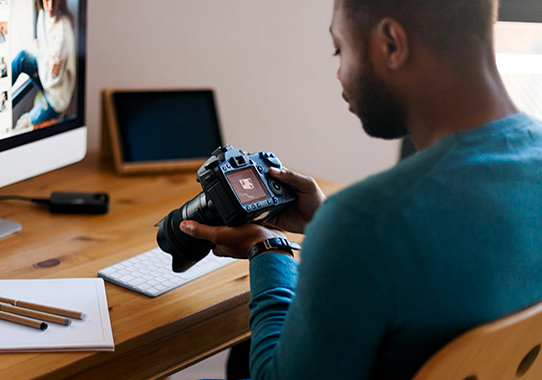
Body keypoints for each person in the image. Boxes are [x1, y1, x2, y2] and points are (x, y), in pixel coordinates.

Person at [178, 1, 542, 379]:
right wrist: (329, 223)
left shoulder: (364, 223)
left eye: (340, 49)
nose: (338, 73)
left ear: (391, 44)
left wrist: (267, 247)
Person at [11, 0, 76, 128]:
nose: (50, 6)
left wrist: (39, 53)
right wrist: (45, 58)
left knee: (22, 126)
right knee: (22, 58)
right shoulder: (43, 15)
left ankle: (54, 115)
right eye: (46, 0)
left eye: (54, 1)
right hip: (45, 73)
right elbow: (43, 53)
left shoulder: (62, 33)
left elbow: (52, 80)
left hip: (56, 96)